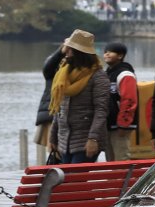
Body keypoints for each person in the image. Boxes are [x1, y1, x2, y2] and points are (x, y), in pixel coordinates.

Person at [45, 29, 112, 164]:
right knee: (66, 176)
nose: (67, 53)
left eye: (70, 50)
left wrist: (93, 138)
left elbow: (101, 110)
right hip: (64, 140)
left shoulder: (98, 76)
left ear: (80, 53)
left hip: (86, 139)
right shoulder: (64, 73)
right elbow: (59, 109)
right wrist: (52, 138)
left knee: (75, 176)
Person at [101, 41, 139, 161]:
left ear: (120, 56)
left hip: (120, 126)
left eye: (110, 52)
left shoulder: (125, 74)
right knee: (110, 160)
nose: (107, 54)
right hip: (109, 124)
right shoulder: (107, 74)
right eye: (105, 52)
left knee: (121, 158)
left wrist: (123, 124)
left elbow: (129, 100)